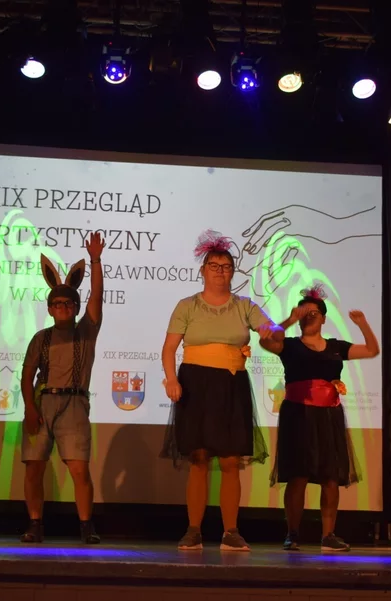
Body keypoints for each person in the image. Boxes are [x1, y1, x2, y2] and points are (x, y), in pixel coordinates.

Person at [161, 229, 283, 552]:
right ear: (203, 271)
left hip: (231, 386)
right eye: (214, 266)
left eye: (226, 266)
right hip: (195, 386)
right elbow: (169, 349)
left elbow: (271, 332)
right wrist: (171, 380)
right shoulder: (187, 306)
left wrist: (278, 328)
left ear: (233, 271)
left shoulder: (245, 305)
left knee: (230, 462)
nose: (220, 271)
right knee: (199, 459)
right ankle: (193, 530)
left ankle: (231, 531)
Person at [259, 283, 380, 551]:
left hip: (328, 416)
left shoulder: (336, 346)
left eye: (314, 313)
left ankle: (328, 535)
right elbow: (266, 341)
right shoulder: (290, 345)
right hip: (298, 415)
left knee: (330, 477)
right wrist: (290, 319)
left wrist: (362, 324)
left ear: (324, 318)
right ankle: (292, 533)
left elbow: (372, 350)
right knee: (298, 476)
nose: (309, 317)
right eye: (305, 313)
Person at [19, 233, 105, 544]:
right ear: (50, 309)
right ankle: (35, 524)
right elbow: (26, 375)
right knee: (34, 468)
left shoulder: (86, 332)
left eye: (68, 303)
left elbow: (97, 297)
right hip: (43, 403)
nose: (63, 307)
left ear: (76, 307)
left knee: (79, 470)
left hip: (75, 405)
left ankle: (86, 526)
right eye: (57, 304)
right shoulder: (41, 338)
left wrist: (95, 260)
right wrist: (30, 408)